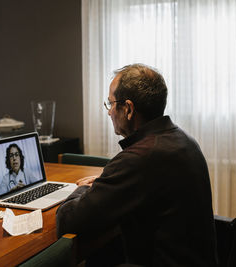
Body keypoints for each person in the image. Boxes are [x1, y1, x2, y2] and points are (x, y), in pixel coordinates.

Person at [56, 64, 218, 266]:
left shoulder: (139, 158)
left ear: (129, 109)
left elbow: (68, 220)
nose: (109, 112)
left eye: (111, 103)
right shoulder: (182, 139)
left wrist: (82, 189)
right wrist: (108, 184)